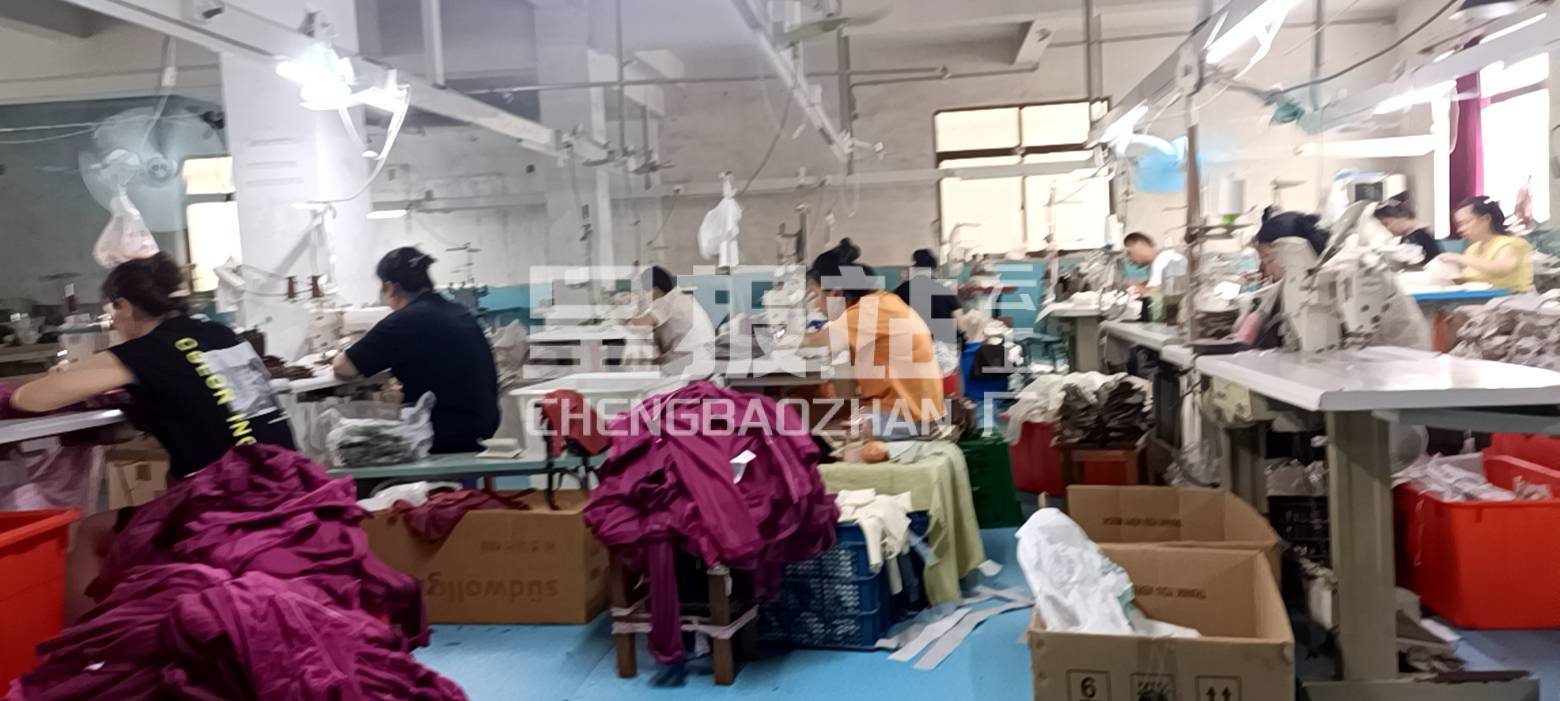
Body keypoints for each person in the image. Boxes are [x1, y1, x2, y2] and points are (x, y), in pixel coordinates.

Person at [11, 252, 296, 620]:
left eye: (113, 310)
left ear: (125, 306)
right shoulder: (220, 334)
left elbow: (28, 399)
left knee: (93, 531)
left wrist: (68, 374)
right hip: (289, 489)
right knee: (167, 490)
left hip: (230, 508)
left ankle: (85, 643)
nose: (113, 321)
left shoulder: (144, 352)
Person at [334, 247, 500, 453]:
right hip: (480, 427)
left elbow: (344, 367)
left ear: (389, 287)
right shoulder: (456, 310)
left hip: (444, 435)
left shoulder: (407, 320)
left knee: (351, 447)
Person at [806, 241, 945, 435]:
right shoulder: (883, 302)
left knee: (814, 434)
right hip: (917, 414)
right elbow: (847, 390)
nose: (817, 307)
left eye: (816, 297)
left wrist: (780, 339)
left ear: (835, 293)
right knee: (813, 420)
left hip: (904, 418)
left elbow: (815, 343)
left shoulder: (865, 311)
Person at [627, 266, 716, 376]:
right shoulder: (679, 295)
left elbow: (638, 324)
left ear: (655, 290)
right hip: (704, 356)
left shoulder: (667, 301)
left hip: (692, 362)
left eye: (644, 290)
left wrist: (621, 319)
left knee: (646, 371)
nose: (644, 295)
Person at [893, 249, 963, 384]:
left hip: (911, 350)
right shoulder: (944, 291)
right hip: (942, 353)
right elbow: (960, 323)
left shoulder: (900, 291)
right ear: (933, 270)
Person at [1438, 196, 1534, 292]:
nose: (1460, 229)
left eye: (1466, 222)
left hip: (1514, 297)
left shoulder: (1512, 244)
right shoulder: (1472, 249)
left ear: (1486, 219)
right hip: (1482, 298)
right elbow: (1476, 279)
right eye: (1459, 225)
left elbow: (1500, 269)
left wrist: (1460, 258)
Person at [1373, 194, 1440, 267]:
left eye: (1387, 223)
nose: (1387, 228)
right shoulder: (1406, 238)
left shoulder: (1421, 236)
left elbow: (1433, 262)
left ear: (1401, 217)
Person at [1122, 232, 1188, 295]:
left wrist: (1139, 289)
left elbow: (1153, 293)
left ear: (1143, 246)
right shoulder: (1159, 260)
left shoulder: (1162, 259)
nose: (1128, 258)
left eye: (1129, 253)